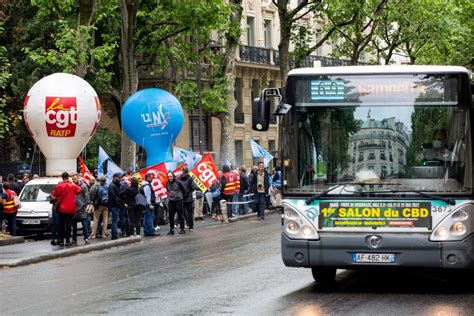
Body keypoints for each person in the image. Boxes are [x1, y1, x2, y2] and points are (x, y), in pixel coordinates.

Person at [51, 172, 81, 246]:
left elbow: (55, 195)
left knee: (61, 225)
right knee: (68, 225)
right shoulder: (72, 186)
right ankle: (67, 241)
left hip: (61, 208)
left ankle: (61, 241)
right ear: (68, 177)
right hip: (70, 208)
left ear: (62, 177)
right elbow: (79, 190)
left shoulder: (59, 186)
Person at [108, 172, 129, 240]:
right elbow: (114, 197)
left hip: (116, 205)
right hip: (114, 206)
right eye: (119, 178)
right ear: (115, 178)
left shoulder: (116, 185)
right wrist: (120, 204)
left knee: (115, 220)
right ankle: (114, 234)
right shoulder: (112, 186)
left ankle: (115, 234)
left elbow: (118, 196)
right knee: (115, 220)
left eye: (120, 178)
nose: (120, 179)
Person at [71, 174, 91, 245]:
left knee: (84, 225)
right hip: (74, 209)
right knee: (74, 226)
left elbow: (87, 196)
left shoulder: (83, 186)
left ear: (78, 178)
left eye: (75, 179)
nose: (74, 180)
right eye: (73, 179)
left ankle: (86, 238)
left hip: (82, 209)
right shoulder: (72, 186)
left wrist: (85, 205)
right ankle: (74, 239)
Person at [179, 167, 195, 231]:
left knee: (183, 212)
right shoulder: (190, 178)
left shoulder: (179, 179)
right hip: (189, 198)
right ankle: (191, 226)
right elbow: (193, 187)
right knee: (190, 212)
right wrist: (190, 191)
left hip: (182, 198)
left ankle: (184, 225)